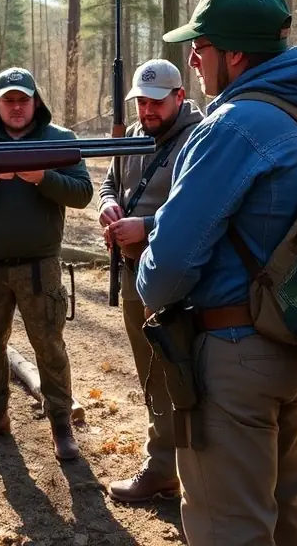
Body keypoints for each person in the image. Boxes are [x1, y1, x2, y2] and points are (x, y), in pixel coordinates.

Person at [136, 0, 297, 545]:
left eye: (202, 46)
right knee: (284, 503)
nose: (192, 58)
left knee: (230, 527)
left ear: (236, 55)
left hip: (234, 356)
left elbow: (166, 269)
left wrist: (147, 267)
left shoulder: (231, 126)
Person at [0, 67, 92, 462]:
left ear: (36, 102)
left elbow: (82, 194)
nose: (16, 107)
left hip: (39, 268)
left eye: (23, 99)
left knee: (49, 347)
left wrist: (41, 177)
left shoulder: (60, 141)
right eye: (8, 99)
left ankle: (61, 424)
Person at [97, 58, 203, 504]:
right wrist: (107, 205)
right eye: (141, 101)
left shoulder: (200, 140)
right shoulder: (135, 139)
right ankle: (163, 466)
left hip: (178, 280)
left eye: (157, 101)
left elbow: (202, 208)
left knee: (181, 375)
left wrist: (147, 225)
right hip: (135, 272)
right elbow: (108, 182)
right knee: (150, 374)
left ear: (179, 96)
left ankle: (184, 472)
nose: (148, 110)